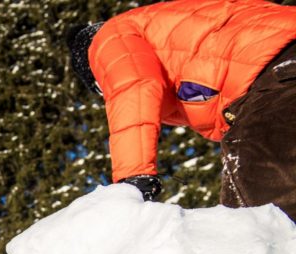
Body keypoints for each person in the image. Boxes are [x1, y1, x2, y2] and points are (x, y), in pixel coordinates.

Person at [69, 0, 296, 220]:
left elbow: (133, 85)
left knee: (259, 218)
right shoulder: (178, 38)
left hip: (277, 73)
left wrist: (133, 178)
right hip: (279, 66)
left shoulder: (107, 39)